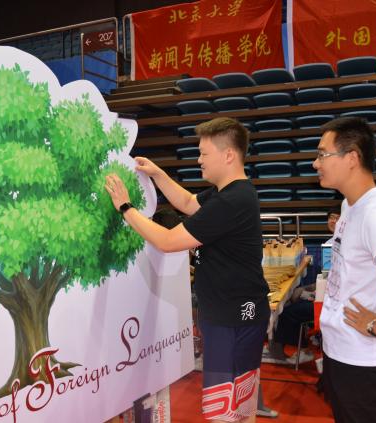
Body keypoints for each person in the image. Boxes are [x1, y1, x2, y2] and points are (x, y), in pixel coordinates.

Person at [105, 117, 269, 423]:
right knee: (237, 401)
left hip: (233, 318)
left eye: (204, 153)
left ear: (228, 155)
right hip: (234, 313)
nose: (199, 160)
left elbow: (168, 241)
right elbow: (187, 201)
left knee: (227, 408)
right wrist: (158, 174)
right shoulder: (230, 193)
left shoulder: (231, 201)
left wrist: (126, 208)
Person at [312, 117, 376, 423]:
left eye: (322, 154)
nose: (316, 163)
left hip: (365, 359)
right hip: (343, 350)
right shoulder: (350, 205)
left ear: (352, 158)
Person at [263, 208, 340, 366]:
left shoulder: (336, 246)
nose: (333, 221)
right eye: (331, 217)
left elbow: (331, 280)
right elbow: (327, 277)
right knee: (291, 299)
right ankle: (284, 345)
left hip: (332, 303)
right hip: (328, 295)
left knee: (288, 312)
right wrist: (308, 290)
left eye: (338, 218)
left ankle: (297, 350)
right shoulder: (331, 242)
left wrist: (309, 293)